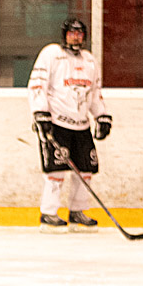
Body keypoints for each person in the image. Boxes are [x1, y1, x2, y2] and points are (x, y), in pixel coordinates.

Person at [28, 17, 113, 233]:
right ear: (64, 34)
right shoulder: (51, 54)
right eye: (72, 33)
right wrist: (40, 113)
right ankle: (49, 213)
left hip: (82, 126)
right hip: (56, 123)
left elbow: (94, 93)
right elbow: (37, 85)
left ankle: (77, 212)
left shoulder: (90, 61)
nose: (76, 37)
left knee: (85, 170)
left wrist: (101, 115)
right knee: (56, 171)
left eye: (80, 33)